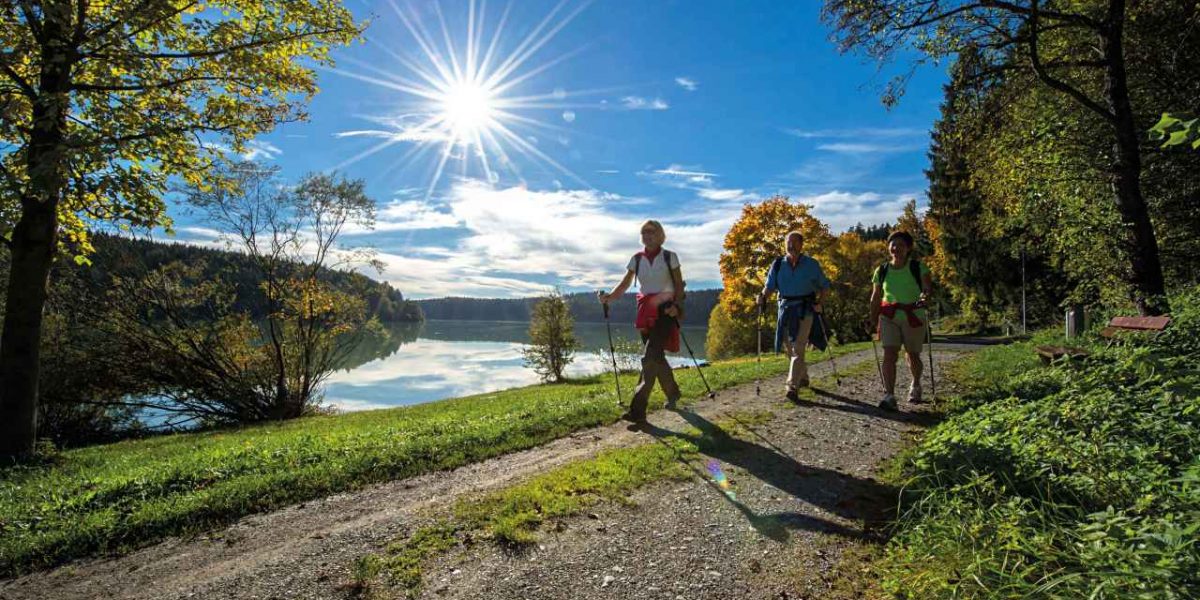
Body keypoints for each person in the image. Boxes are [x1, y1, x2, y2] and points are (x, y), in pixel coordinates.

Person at [597, 220, 686, 424]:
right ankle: (673, 393)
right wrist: (609, 297)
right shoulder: (636, 259)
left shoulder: (669, 256)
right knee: (656, 357)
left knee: (649, 357)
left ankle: (637, 411)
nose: (647, 235)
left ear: (660, 235)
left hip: (665, 310)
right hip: (645, 311)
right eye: (644, 232)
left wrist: (678, 306)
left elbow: (679, 284)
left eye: (652, 232)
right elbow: (626, 283)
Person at [757, 231, 831, 402]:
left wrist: (821, 302)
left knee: (798, 346)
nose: (790, 245)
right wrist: (762, 297)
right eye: (788, 242)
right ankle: (803, 377)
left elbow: (825, 286)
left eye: (794, 242)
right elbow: (769, 287)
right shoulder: (777, 264)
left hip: (806, 309)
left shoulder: (812, 264)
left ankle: (792, 386)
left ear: (801, 244)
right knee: (789, 348)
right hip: (785, 309)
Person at [867, 231, 933, 411]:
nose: (896, 248)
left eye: (901, 245)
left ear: (908, 248)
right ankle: (889, 395)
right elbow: (876, 296)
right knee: (889, 354)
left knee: (912, 354)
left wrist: (925, 297)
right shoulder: (881, 271)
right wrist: (873, 318)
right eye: (893, 245)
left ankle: (916, 384)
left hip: (914, 316)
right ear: (888, 247)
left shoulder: (918, 267)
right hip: (889, 316)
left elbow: (927, 288)